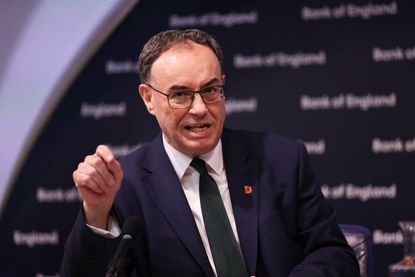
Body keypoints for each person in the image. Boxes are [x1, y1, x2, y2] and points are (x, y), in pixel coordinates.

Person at [61, 29, 360, 277]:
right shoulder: (125, 187)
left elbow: (335, 255)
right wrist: (97, 213)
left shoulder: (282, 160)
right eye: (180, 95)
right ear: (149, 99)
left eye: (210, 90)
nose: (201, 109)